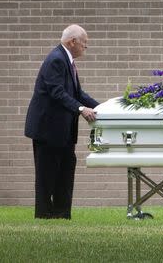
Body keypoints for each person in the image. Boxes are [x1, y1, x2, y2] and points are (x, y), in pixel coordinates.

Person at [25, 24, 99, 219]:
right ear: (72, 41)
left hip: (63, 130)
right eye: (84, 43)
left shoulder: (67, 61)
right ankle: (44, 215)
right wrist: (81, 109)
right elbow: (57, 92)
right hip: (48, 129)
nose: (86, 47)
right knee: (47, 174)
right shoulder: (56, 60)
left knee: (65, 171)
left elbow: (78, 93)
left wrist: (102, 107)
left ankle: (61, 214)